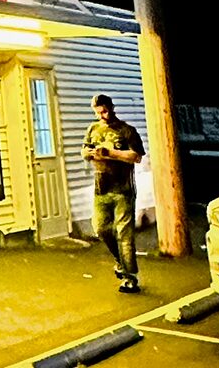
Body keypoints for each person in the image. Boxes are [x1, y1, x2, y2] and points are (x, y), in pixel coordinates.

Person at [83, 93, 146, 294]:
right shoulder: (93, 129)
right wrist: (91, 154)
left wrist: (111, 153)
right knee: (100, 227)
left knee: (124, 234)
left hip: (123, 189)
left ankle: (130, 277)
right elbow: (85, 150)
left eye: (106, 110)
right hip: (101, 187)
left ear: (112, 107)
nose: (103, 115)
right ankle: (119, 261)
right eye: (99, 112)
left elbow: (136, 156)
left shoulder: (127, 131)